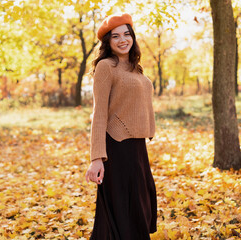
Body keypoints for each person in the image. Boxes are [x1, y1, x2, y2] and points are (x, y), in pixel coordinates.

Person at [85, 13, 157, 240]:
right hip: (116, 147)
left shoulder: (137, 69)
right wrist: (97, 157)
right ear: (108, 42)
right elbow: (99, 114)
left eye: (127, 34)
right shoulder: (106, 67)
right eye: (115, 36)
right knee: (125, 212)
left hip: (137, 148)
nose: (122, 39)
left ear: (133, 37)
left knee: (139, 208)